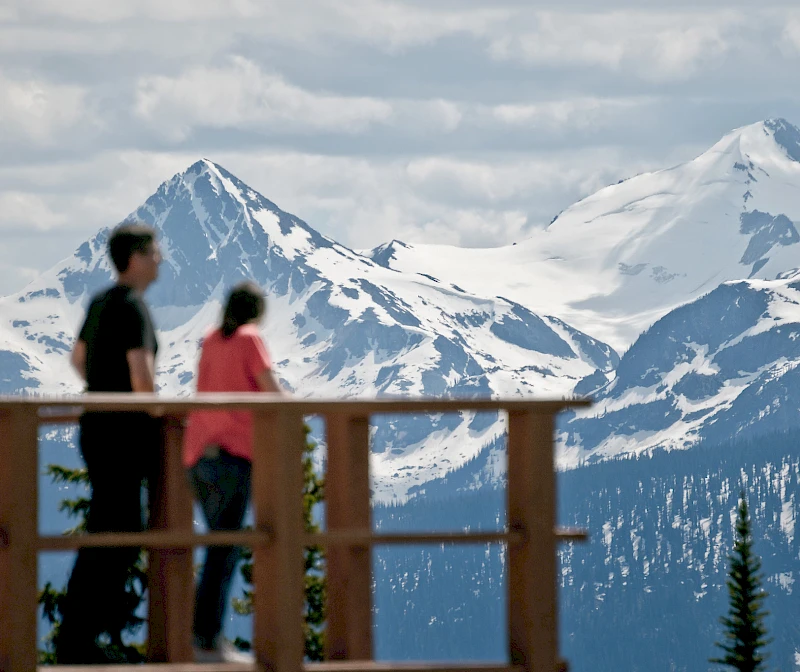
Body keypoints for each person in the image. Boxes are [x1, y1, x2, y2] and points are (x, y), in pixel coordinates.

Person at [55, 223, 162, 664]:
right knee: (123, 531)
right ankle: (82, 640)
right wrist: (157, 412)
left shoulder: (100, 302)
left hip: (94, 428)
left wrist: (100, 386)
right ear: (135, 258)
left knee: (105, 528)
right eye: (155, 252)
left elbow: (78, 358)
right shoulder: (133, 308)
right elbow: (142, 379)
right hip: (124, 435)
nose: (161, 259)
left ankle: (79, 635)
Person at [182, 281, 283, 663]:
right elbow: (270, 390)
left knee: (217, 544)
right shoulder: (248, 339)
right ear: (256, 311)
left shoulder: (210, 339)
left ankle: (203, 636)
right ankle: (205, 640)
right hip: (234, 454)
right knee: (224, 549)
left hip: (198, 454)